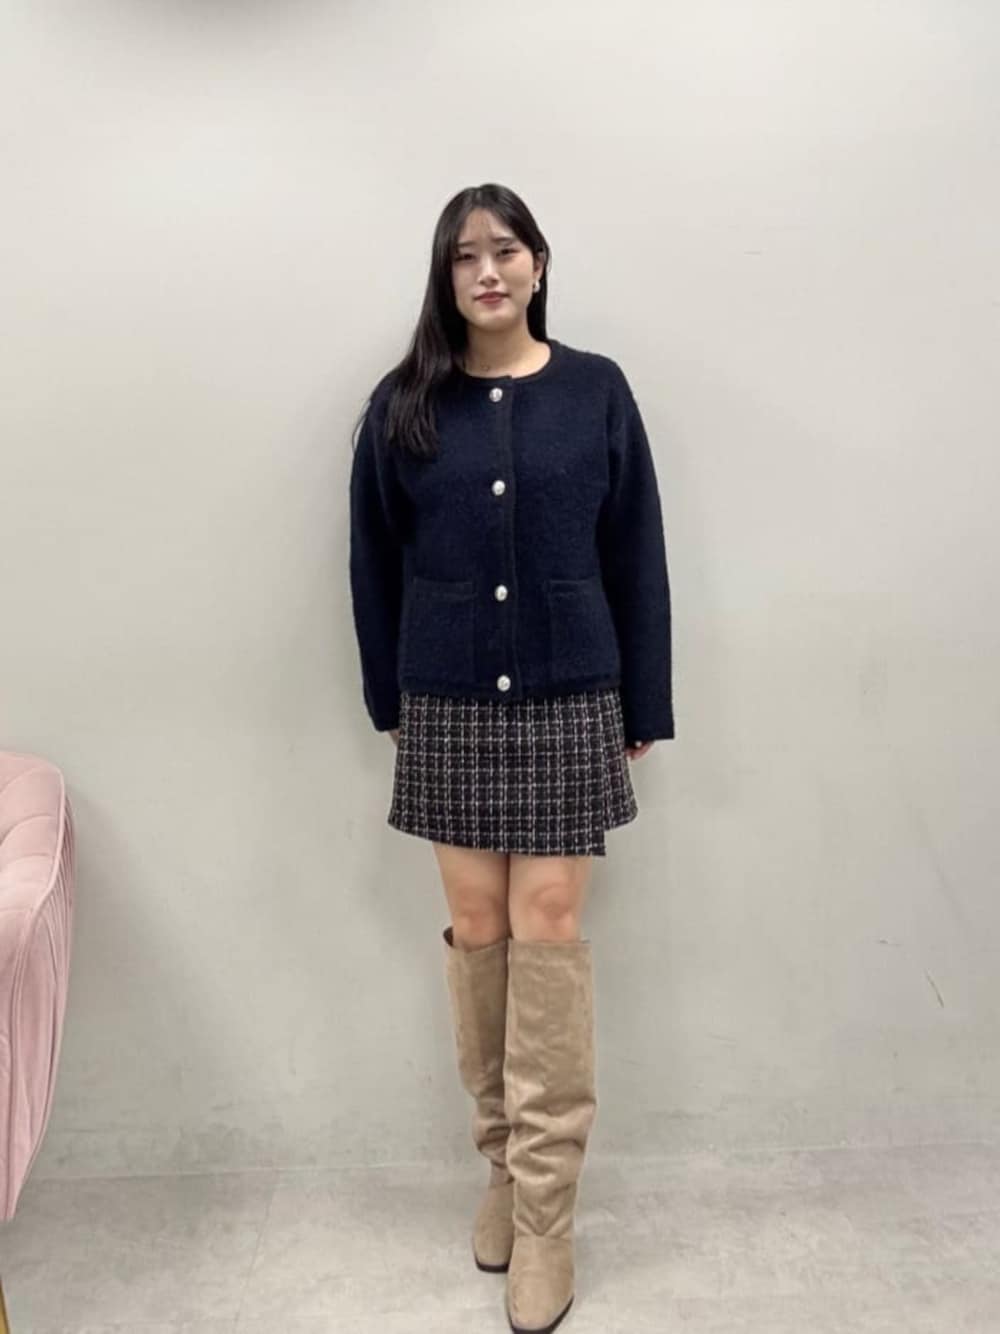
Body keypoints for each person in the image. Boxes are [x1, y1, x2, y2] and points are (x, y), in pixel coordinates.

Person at [348, 182, 674, 1334]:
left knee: (548, 922)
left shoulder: (595, 390)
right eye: (464, 255)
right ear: (444, 278)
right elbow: (372, 557)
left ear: (538, 262)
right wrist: (387, 696)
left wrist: (646, 696)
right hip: (445, 696)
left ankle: (545, 1214)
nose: (487, 270)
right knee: (478, 927)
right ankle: (500, 1165)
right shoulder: (404, 402)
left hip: (571, 692)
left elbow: (634, 545)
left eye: (507, 249)